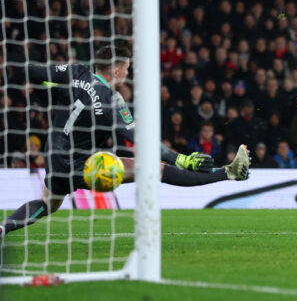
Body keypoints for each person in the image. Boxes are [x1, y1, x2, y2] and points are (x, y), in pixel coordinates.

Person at [0, 46, 250, 237]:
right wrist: (180, 158)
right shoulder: (112, 99)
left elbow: (33, 72)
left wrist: (40, 84)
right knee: (153, 169)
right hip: (80, 164)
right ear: (117, 71)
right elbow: (137, 138)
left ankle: (3, 228)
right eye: (127, 68)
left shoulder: (74, 71)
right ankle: (228, 173)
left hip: (53, 155)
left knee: (47, 203)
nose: (128, 72)